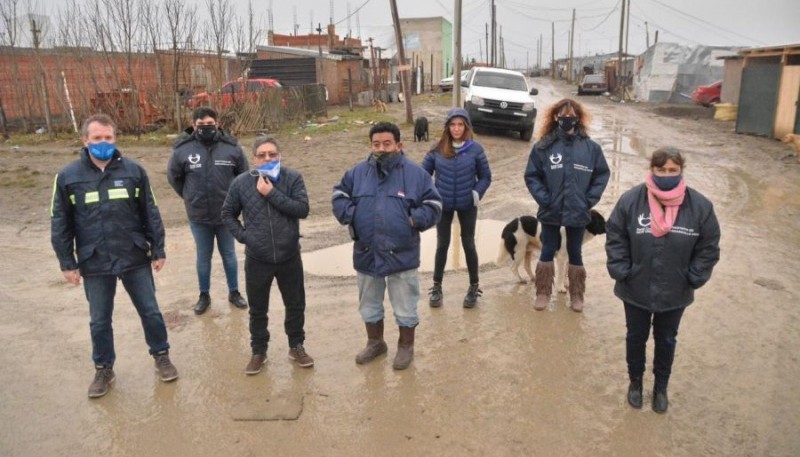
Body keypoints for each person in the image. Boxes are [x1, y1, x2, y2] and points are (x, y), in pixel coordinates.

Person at [50, 114, 178, 398]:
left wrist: (158, 249)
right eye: (97, 138)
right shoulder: (68, 177)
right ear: (85, 140)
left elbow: (150, 213)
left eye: (108, 138)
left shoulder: (134, 172)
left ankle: (161, 355)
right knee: (99, 320)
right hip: (94, 260)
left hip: (133, 255)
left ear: (115, 138)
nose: (103, 143)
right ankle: (103, 368)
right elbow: (60, 222)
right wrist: (66, 262)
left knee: (150, 310)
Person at [605, 148, 720, 413]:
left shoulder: (700, 206)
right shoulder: (631, 201)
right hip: (635, 287)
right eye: (661, 170)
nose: (666, 175)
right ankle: (635, 383)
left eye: (672, 170)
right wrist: (622, 270)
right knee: (636, 337)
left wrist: (693, 277)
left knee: (666, 339)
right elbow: (616, 235)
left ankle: (660, 388)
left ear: (681, 171)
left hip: (675, 290)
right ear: (652, 170)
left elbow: (709, 246)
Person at [332, 122, 442, 370]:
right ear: (371, 146)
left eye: (387, 143)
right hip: (367, 253)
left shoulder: (416, 174)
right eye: (376, 144)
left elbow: (434, 205)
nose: (381, 148)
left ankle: (405, 347)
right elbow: (339, 195)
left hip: (401, 254)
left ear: (398, 145)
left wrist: (412, 220)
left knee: (405, 305)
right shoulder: (357, 173)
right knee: (369, 303)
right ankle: (375, 342)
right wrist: (352, 216)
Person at [221, 136, 314, 374]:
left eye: (272, 154)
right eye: (261, 155)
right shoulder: (241, 183)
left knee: (295, 305)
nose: (267, 158)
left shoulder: (292, 178)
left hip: (289, 255)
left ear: (279, 155)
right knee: (257, 309)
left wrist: (271, 193)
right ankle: (259, 351)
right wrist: (244, 237)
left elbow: (302, 209)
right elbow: (227, 214)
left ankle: (296, 345)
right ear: (254, 159)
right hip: (257, 258)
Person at [524, 98, 610, 312]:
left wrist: (587, 201)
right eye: (563, 116)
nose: (567, 119)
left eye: (571, 116)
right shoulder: (544, 146)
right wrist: (545, 199)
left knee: (575, 251)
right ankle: (543, 293)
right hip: (550, 210)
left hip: (578, 211)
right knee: (548, 249)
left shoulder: (591, 148)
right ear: (555, 117)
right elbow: (532, 175)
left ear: (578, 118)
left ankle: (577, 295)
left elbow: (601, 175)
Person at [167, 107, 249, 315]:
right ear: (194, 125)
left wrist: (235, 202)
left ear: (217, 124)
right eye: (201, 125)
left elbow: (243, 176)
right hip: (199, 216)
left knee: (229, 255)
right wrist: (189, 196)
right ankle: (204, 295)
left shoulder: (232, 148)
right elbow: (174, 178)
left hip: (226, 215)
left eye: (210, 124)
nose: (206, 128)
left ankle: (234, 292)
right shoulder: (182, 149)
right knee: (203, 257)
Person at [421, 107, 492, 308]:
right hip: (442, 205)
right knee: (442, 244)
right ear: (447, 127)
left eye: (460, 124)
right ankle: (436, 286)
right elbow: (423, 175)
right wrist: (430, 195)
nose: (457, 129)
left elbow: (486, 176)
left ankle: (473, 286)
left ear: (466, 126)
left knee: (468, 243)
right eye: (453, 124)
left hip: (467, 204)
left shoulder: (475, 149)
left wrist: (477, 192)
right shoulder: (438, 148)